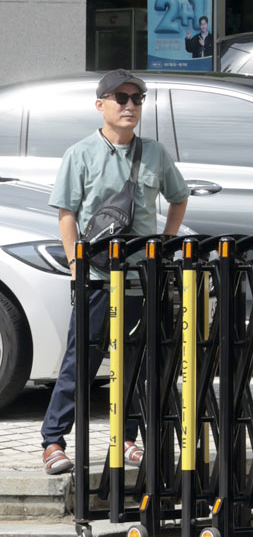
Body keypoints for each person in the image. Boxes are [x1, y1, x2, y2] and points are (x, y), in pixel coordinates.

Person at [41, 72, 189, 476]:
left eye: (138, 99)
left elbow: (179, 196)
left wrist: (165, 241)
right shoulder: (81, 153)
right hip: (97, 278)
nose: (130, 105)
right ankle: (53, 440)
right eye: (121, 97)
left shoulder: (154, 153)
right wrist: (76, 265)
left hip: (141, 277)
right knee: (81, 362)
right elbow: (67, 214)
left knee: (136, 363)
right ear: (100, 104)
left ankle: (126, 439)